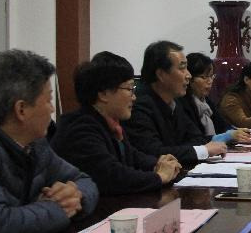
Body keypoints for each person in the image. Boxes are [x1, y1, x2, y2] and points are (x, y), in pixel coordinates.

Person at [0, 50, 98, 233]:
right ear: (21, 109)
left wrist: (76, 196)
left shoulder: (34, 144)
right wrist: (58, 209)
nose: (52, 109)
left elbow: (83, 180)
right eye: (48, 100)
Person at [52, 52, 182, 195]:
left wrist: (159, 163)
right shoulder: (80, 130)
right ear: (103, 94)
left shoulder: (110, 123)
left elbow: (133, 156)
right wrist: (160, 177)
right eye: (129, 89)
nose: (134, 97)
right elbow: (113, 176)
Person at [124, 41, 230, 166]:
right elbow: (154, 153)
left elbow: (197, 138)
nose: (188, 75)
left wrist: (182, 150)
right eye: (182, 68)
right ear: (161, 74)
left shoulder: (175, 102)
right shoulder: (139, 106)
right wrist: (202, 150)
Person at [179, 52, 251, 146]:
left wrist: (236, 131)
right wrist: (227, 136)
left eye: (211, 76)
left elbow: (222, 125)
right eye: (204, 77)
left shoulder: (206, 101)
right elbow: (194, 139)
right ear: (190, 78)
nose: (210, 81)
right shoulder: (183, 104)